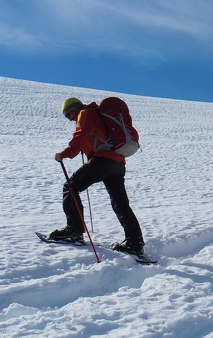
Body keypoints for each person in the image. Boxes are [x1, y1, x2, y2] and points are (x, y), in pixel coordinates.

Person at [49, 97, 144, 255]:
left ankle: (74, 230)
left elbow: (80, 136)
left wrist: (65, 153)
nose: (71, 119)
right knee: (120, 203)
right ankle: (135, 243)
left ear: (74, 109)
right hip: (118, 164)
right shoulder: (97, 114)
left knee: (70, 186)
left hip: (103, 161)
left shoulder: (85, 113)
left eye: (68, 115)